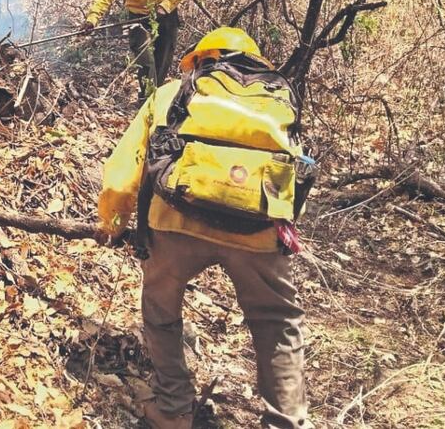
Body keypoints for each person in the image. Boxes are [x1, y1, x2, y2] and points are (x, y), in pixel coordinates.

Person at [95, 27, 313, 429]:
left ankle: (174, 410)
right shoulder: (275, 101)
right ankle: (286, 422)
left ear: (199, 59)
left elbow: (121, 177)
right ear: (253, 62)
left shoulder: (172, 93)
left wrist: (113, 224)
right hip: (258, 230)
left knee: (161, 311)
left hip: (177, 220)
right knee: (277, 322)